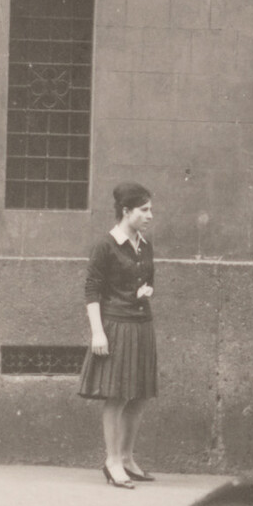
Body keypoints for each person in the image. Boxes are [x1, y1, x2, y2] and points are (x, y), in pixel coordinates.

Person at [78, 184, 158, 487]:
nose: (150, 215)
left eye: (150, 209)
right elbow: (92, 291)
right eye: (144, 210)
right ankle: (111, 461)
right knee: (117, 395)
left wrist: (147, 290)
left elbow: (148, 279)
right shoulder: (106, 245)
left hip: (141, 325)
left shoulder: (145, 244)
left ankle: (126, 457)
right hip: (116, 326)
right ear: (126, 211)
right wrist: (98, 333)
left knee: (139, 395)